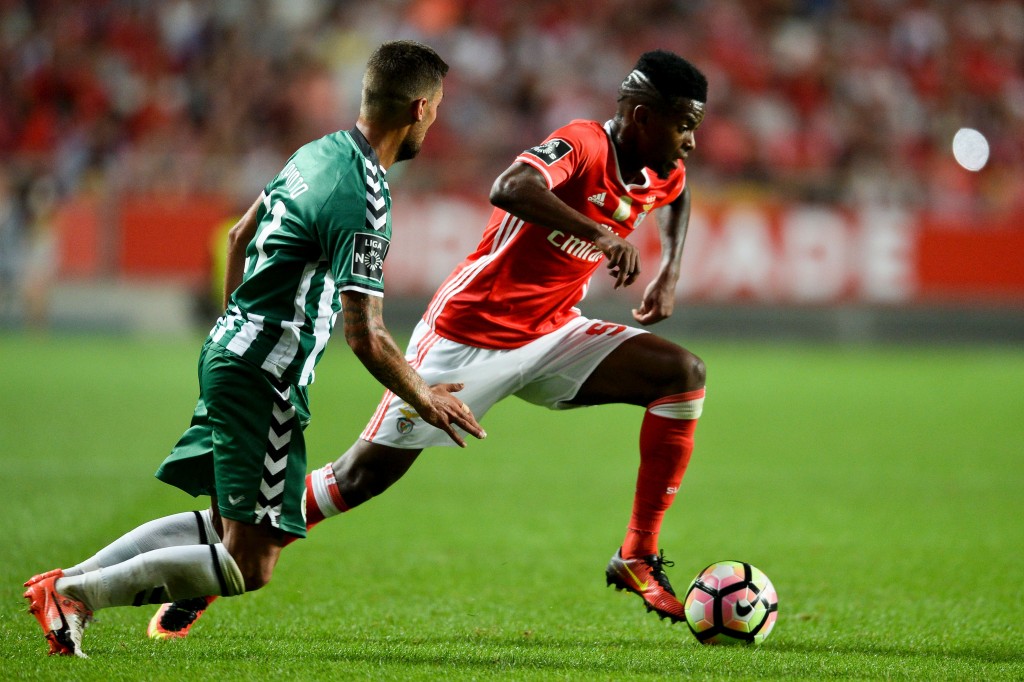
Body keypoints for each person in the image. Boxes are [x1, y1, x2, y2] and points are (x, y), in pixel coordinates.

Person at [154, 48, 710, 638]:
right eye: (684, 125)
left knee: (682, 374)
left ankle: (637, 552)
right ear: (644, 117)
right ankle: (221, 556)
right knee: (360, 478)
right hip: (467, 335)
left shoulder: (662, 167)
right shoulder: (584, 143)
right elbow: (510, 185)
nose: (691, 142)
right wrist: (598, 233)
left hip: (553, 331)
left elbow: (676, 195)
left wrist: (669, 271)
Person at [22, 40, 486, 659]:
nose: (434, 121)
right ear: (419, 108)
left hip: (231, 351)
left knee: (223, 525)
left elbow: (240, 235)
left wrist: (237, 326)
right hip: (265, 375)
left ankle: (66, 585)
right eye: (438, 109)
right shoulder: (365, 197)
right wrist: (423, 396)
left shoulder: (315, 153)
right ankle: (74, 594)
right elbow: (366, 333)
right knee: (251, 561)